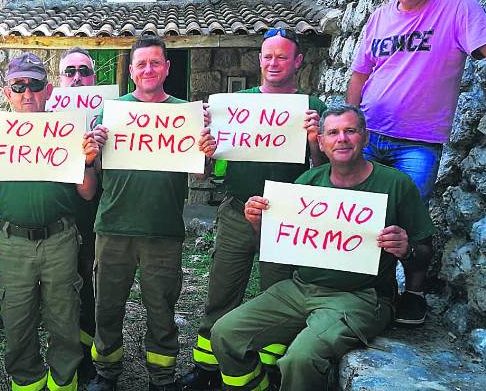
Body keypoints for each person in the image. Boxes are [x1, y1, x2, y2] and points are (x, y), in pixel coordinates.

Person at [210, 105, 434, 390]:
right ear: (321, 142)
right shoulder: (307, 183)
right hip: (301, 288)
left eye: (350, 131)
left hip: (360, 297)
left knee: (299, 360)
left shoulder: (396, 184)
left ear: (364, 138)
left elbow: (425, 251)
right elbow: (275, 249)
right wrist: (258, 224)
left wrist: (406, 250)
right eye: (333, 133)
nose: (342, 139)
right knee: (225, 333)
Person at [346, 0, 486, 325]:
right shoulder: (378, 17)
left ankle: (414, 295)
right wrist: (348, 124)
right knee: (362, 217)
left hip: (418, 143)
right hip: (371, 134)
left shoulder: (457, 7)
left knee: (411, 222)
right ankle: (376, 292)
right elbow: (360, 74)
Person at [181, 28, 327, 390]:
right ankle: (207, 366)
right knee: (222, 287)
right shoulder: (236, 103)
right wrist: (208, 146)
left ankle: (271, 366)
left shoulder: (314, 108)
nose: (273, 62)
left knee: (276, 291)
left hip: (288, 213)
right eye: (267, 56)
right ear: (259, 60)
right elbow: (211, 158)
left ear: (297, 61)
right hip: (236, 208)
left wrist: (314, 142)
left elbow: (324, 172)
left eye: (281, 56)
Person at [86, 35, 217, 391]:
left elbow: (201, 173)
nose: (148, 69)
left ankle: (161, 377)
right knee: (108, 308)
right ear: (131, 71)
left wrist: (206, 150)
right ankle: (107, 372)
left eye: (155, 62)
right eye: (141, 63)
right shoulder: (111, 115)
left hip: (163, 230)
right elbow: (92, 170)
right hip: (114, 226)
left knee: (161, 308)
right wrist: (93, 149)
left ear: (167, 68)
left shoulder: (184, 114)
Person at [0, 52, 101, 391]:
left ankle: (63, 381)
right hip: (14, 243)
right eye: (19, 86)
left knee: (64, 319)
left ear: (49, 90)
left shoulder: (67, 131)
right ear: (7, 92)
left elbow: (87, 193)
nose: (28, 94)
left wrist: (87, 162)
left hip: (60, 240)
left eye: (35, 85)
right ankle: (26, 380)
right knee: (18, 321)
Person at [58, 47, 100, 380]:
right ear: (59, 81)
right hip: (55, 217)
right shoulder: (42, 116)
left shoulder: (111, 113)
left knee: (87, 288)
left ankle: (86, 357)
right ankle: (62, 352)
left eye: (83, 71)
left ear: (94, 78)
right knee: (60, 291)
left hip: (94, 214)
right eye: (69, 72)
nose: (76, 78)